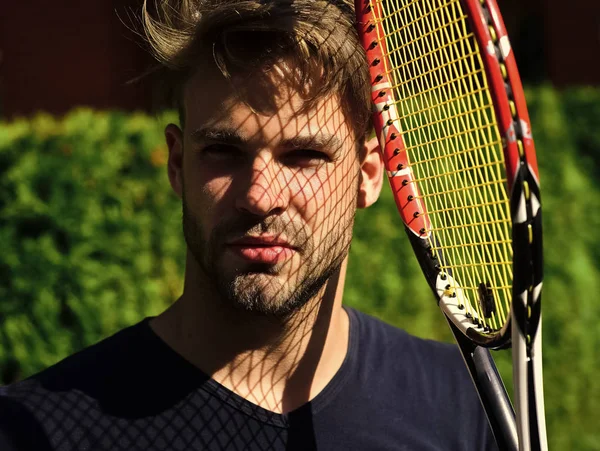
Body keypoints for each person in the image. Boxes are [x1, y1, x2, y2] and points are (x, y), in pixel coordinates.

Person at [0, 0, 497, 449]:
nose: (260, 196)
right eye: (223, 151)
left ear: (369, 174)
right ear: (178, 165)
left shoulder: (458, 402)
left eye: (304, 155)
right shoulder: (35, 429)